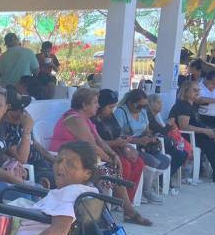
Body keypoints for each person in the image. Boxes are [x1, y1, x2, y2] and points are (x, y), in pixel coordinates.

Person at [49, 87, 151, 226]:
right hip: (65, 160)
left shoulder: (86, 119)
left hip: (80, 158)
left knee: (112, 170)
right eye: (95, 102)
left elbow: (99, 141)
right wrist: (110, 160)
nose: (98, 105)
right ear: (84, 105)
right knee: (107, 172)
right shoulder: (74, 119)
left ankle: (127, 211)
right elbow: (91, 145)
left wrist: (114, 155)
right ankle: (117, 213)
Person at [167, 81, 215, 183]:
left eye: (198, 90)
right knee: (209, 142)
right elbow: (184, 126)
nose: (198, 92)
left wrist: (209, 130)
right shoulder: (183, 105)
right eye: (195, 90)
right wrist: (205, 131)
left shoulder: (192, 105)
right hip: (186, 136)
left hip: (195, 134)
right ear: (186, 92)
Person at [113, 89, 171, 204]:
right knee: (153, 162)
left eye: (144, 106)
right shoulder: (121, 112)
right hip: (129, 146)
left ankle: (144, 187)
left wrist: (150, 137)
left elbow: (146, 130)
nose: (142, 108)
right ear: (130, 103)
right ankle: (146, 190)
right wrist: (138, 140)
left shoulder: (143, 112)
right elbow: (117, 135)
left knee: (165, 160)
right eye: (139, 106)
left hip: (143, 144)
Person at [2, 87, 54, 185]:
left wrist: (55, 160)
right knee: (63, 180)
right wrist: (27, 130)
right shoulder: (4, 130)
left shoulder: (20, 124)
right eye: (21, 109)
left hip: (43, 164)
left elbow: (36, 145)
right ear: (8, 113)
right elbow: (22, 159)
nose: (24, 112)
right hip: (29, 170)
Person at [146, 94, 186, 187]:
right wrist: (169, 124)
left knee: (182, 153)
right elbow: (159, 130)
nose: (161, 105)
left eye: (161, 103)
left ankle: (166, 178)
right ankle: (163, 180)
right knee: (180, 154)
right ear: (151, 103)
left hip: (163, 142)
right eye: (158, 103)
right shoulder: (148, 115)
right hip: (155, 144)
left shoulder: (156, 115)